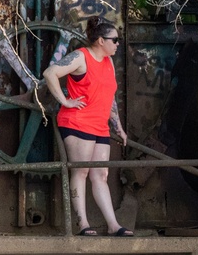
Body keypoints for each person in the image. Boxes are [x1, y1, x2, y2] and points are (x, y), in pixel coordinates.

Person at [43, 19, 134, 237]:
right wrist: (65, 102)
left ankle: (113, 225)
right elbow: (50, 73)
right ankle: (82, 223)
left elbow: (110, 97)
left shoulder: (108, 62)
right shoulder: (81, 57)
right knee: (81, 171)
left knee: (100, 175)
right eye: (114, 40)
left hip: (100, 126)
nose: (117, 44)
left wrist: (118, 127)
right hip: (77, 122)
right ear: (101, 41)